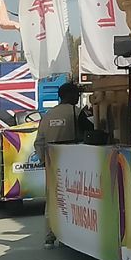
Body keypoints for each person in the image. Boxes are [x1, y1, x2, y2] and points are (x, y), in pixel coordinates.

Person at [37, 82, 91, 247]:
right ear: (70, 95)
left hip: (53, 164)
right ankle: (71, 236)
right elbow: (90, 132)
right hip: (75, 165)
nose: (77, 98)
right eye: (76, 95)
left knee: (53, 200)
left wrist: (45, 160)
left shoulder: (48, 115)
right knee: (74, 200)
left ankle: (50, 235)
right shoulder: (76, 113)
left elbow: (39, 142)